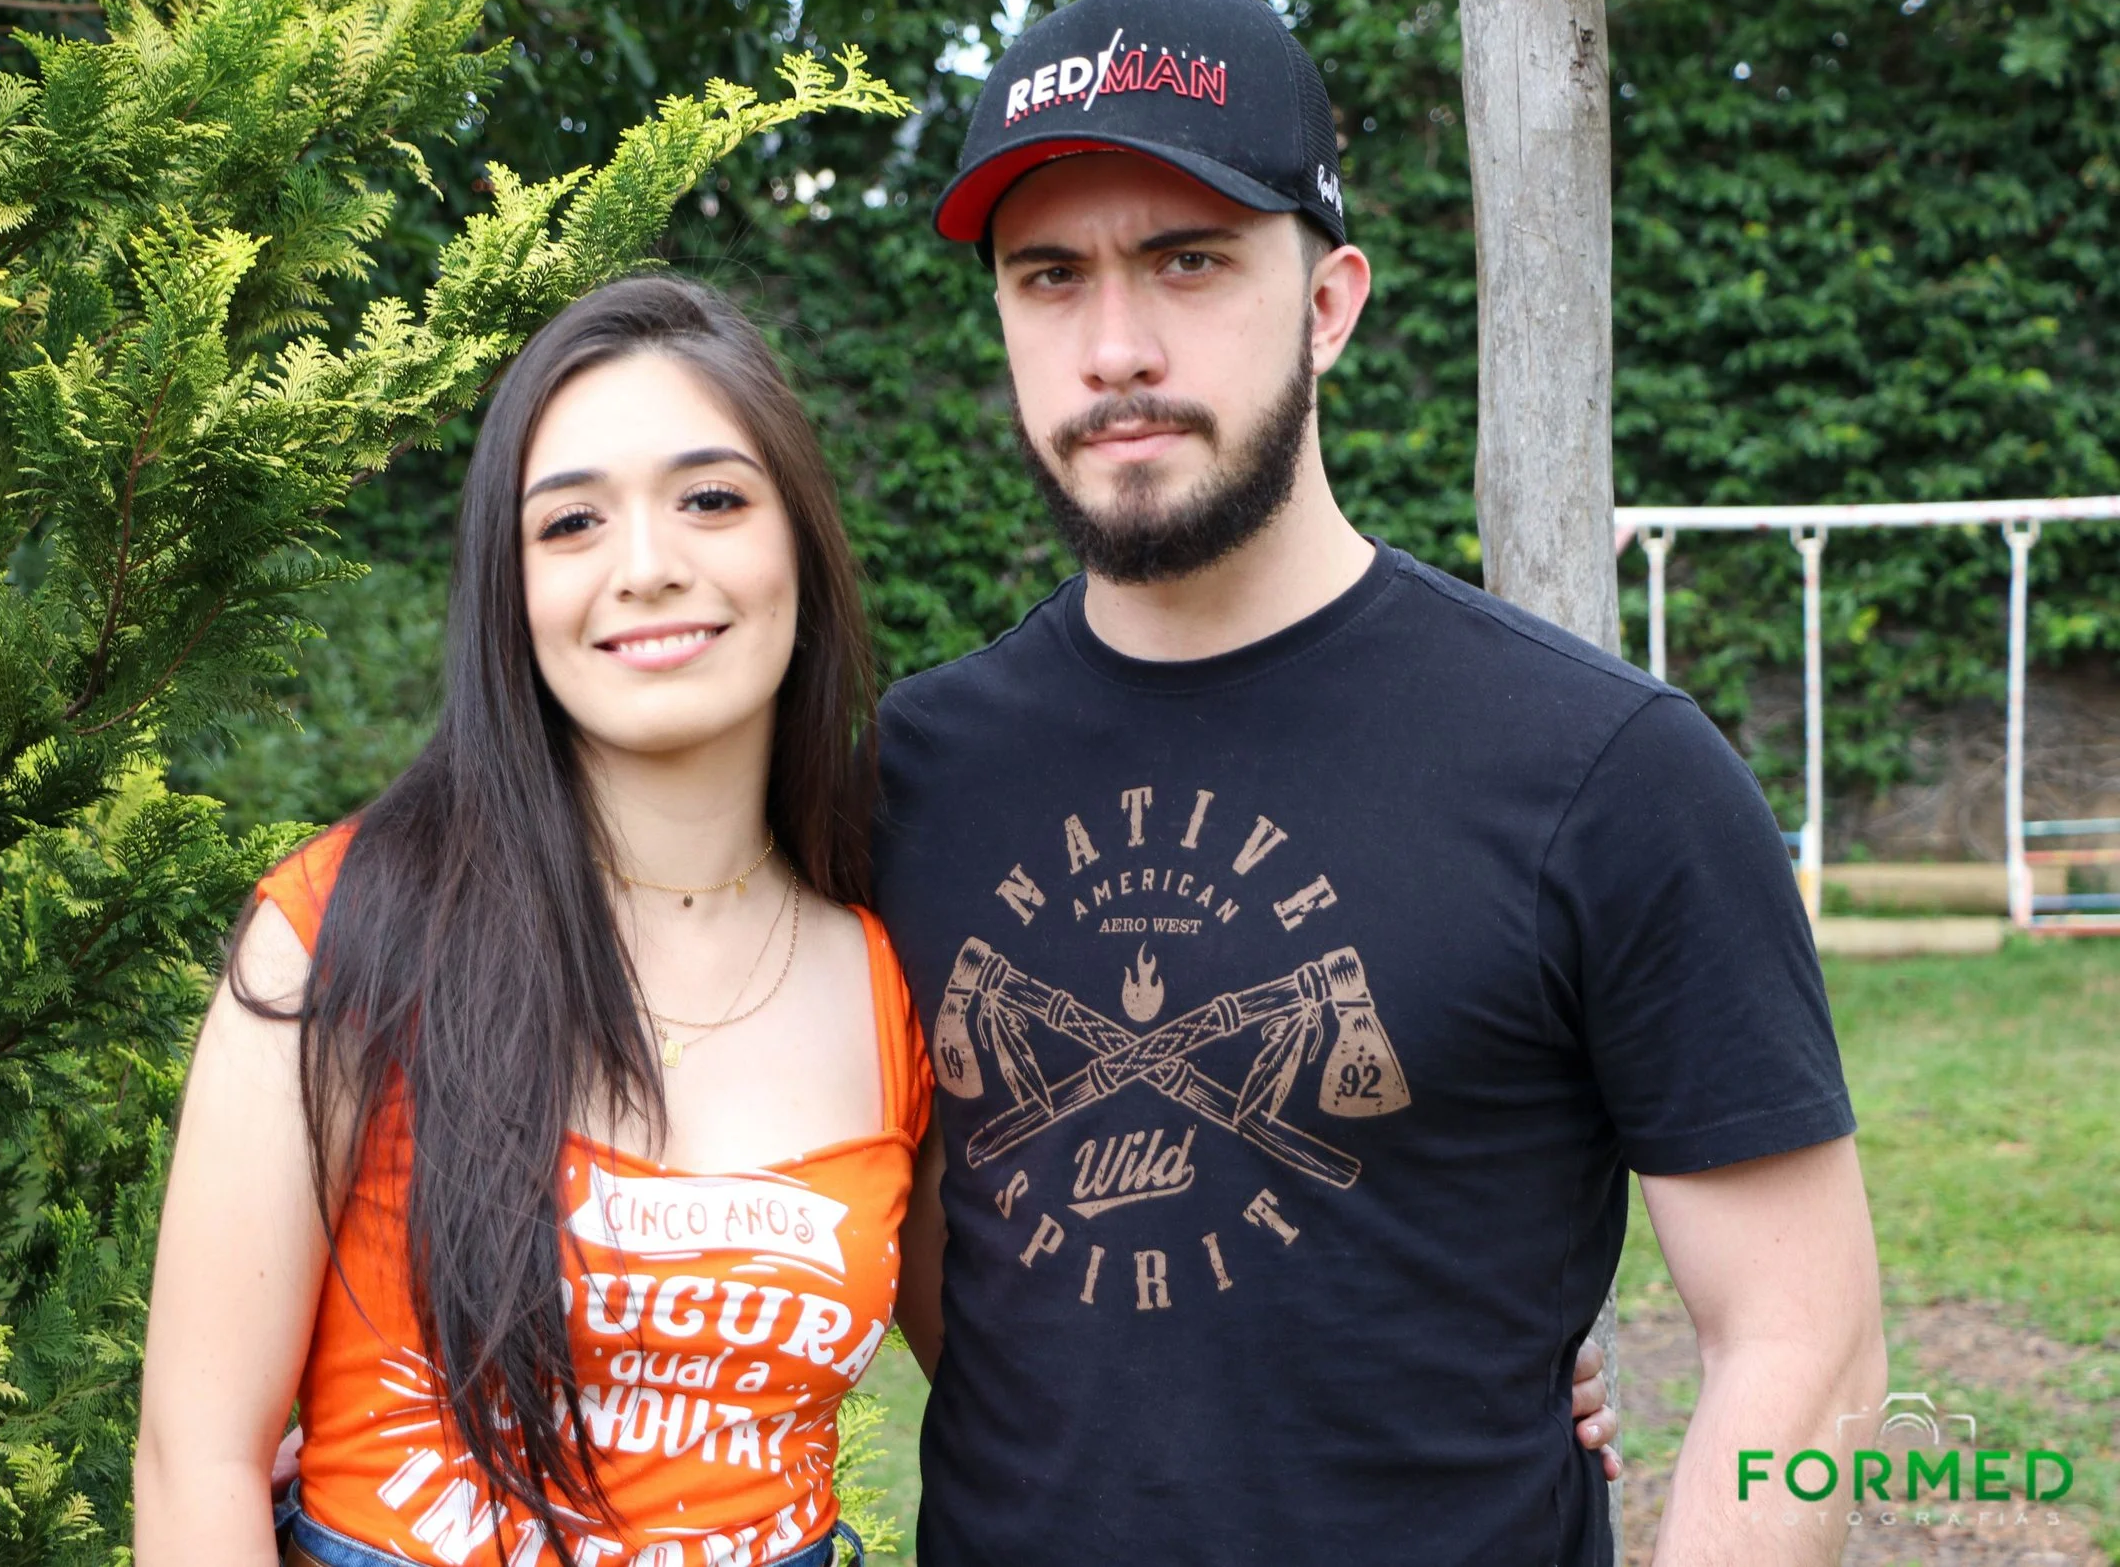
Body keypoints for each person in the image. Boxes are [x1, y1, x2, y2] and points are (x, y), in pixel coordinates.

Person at [132, 273, 1621, 1566]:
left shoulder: (892, 965)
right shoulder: (345, 936)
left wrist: (1448, 1368)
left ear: (799, 545)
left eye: (712, 499)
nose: (648, 565)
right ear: (506, 587)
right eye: (570, 521)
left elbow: (1067, 1345)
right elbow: (197, 1462)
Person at [874, 0, 1888, 1567]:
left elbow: (1807, 1349)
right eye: (1049, 276)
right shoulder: (906, 774)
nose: (1114, 346)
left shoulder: (1605, 771)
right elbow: (957, 1262)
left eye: (1189, 259)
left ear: (1330, 303)